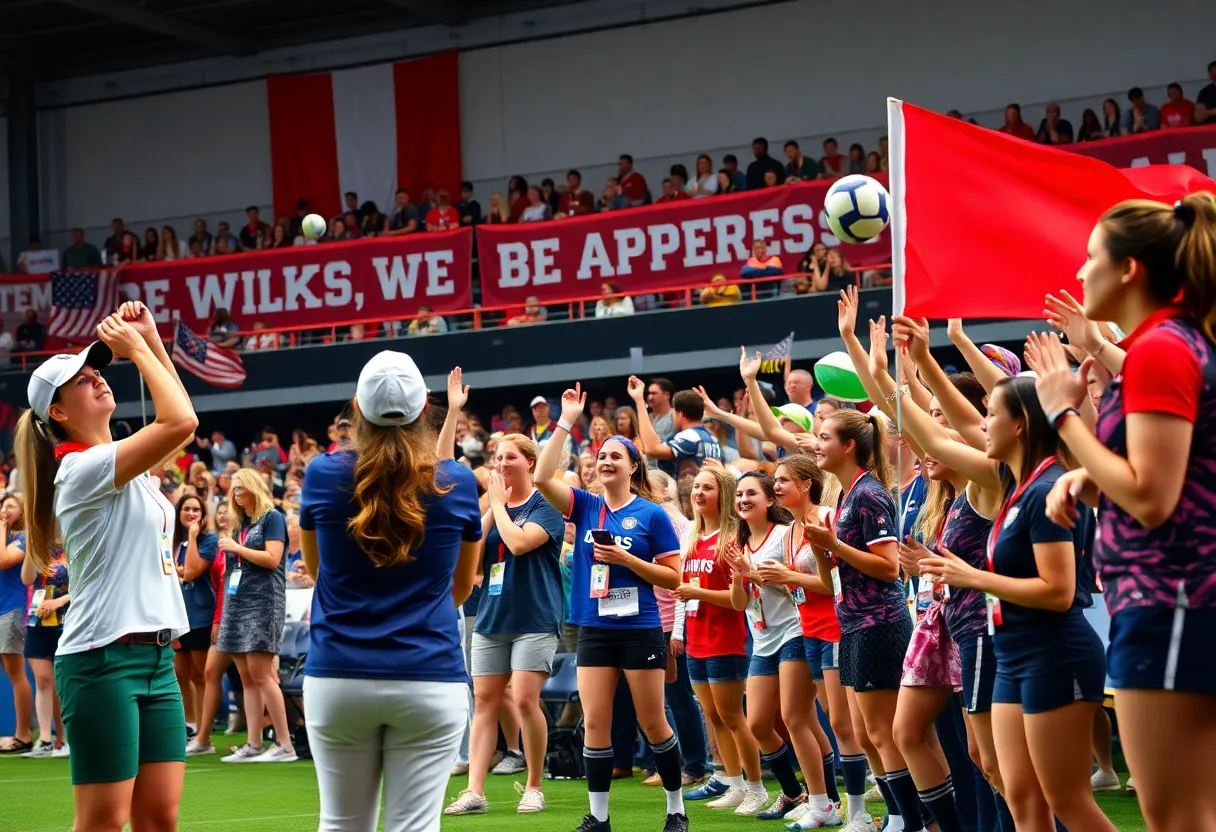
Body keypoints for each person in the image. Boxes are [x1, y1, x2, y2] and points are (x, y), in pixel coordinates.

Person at [1037, 192, 1216, 830]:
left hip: (1171, 600)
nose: (1080, 273)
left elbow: (1151, 495)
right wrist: (1089, 476)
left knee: (1177, 816)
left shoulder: (1163, 347)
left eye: (1090, 258)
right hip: (1177, 601)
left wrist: (1063, 414)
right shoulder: (1169, 342)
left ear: (1129, 270)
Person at [15, 300, 197, 829]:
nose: (97, 379)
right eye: (82, 379)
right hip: (102, 660)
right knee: (103, 822)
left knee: (159, 817)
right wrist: (138, 350)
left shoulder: (118, 460)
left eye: (97, 371)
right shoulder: (79, 468)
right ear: (59, 412)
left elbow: (180, 426)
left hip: (156, 658)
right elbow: (182, 419)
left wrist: (152, 340)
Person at [906, 371, 1111, 832]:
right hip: (1015, 653)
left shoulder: (1044, 489)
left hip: (1055, 652)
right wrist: (894, 372)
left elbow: (1058, 593)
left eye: (991, 416)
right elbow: (937, 442)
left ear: (1019, 425)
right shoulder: (1016, 485)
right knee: (1020, 798)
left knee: (1068, 801)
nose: (981, 427)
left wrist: (972, 577)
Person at [300, 350, 482, 832]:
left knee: (340, 824)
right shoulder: (458, 482)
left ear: (356, 410)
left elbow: (317, 572)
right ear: (426, 410)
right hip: (430, 675)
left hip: (337, 675)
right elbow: (460, 589)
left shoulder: (322, 473)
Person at [534, 383, 687, 832]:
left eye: (615, 455)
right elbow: (543, 477)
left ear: (634, 466)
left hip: (640, 628)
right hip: (594, 628)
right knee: (596, 722)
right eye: (601, 455)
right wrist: (565, 421)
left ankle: (675, 809)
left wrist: (628, 561)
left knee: (653, 721)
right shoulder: (584, 505)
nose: (605, 461)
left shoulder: (653, 514)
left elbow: (674, 578)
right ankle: (598, 818)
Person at [805, 409, 923, 832]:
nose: (816, 445)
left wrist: (832, 541)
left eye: (824, 437)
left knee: (881, 732)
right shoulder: (845, 494)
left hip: (880, 623)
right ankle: (896, 815)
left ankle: (912, 820)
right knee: (864, 730)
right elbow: (833, 574)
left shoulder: (869, 493)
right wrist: (822, 546)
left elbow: (890, 568)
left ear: (849, 445)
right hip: (853, 623)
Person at [445, 435, 565, 816]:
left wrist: (497, 502)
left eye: (510, 457)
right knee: (484, 702)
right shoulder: (496, 506)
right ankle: (475, 791)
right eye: (497, 458)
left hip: (535, 617)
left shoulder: (546, 507)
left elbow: (517, 544)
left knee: (527, 700)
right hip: (492, 616)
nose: (501, 464)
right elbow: (471, 547)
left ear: (530, 462)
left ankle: (533, 786)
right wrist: (491, 505)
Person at [724, 471, 841, 827]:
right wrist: (739, 575)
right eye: (739, 494)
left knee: (798, 718)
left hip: (794, 631)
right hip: (762, 639)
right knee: (758, 722)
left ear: (769, 501)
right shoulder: (741, 542)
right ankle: (795, 793)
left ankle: (827, 798)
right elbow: (738, 603)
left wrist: (755, 572)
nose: (743, 499)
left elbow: (793, 585)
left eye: (751, 493)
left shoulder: (783, 534)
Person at [671, 468, 760, 811]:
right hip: (697, 637)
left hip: (726, 637)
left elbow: (741, 600)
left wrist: (700, 592)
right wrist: (680, 629)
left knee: (732, 715)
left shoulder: (733, 538)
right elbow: (685, 592)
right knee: (713, 714)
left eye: (707, 487)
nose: (699, 493)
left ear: (722, 494)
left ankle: (756, 787)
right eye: (695, 487)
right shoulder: (691, 537)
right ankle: (733, 782)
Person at [215, 469, 295, 763]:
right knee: (246, 677)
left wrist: (237, 547)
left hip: (263, 603)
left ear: (253, 488)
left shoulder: (272, 517)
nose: (236, 494)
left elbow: (273, 559)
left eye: (240, 488)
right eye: (233, 489)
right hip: (237, 603)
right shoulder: (241, 523)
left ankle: (285, 745)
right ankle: (253, 743)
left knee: (261, 675)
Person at [19, 501, 71, 759]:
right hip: (37, 620)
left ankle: (65, 738)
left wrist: (59, 601)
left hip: (67, 620)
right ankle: (45, 739)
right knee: (42, 679)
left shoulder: (73, 547)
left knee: (63, 682)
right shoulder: (37, 550)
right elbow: (27, 579)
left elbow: (85, 585)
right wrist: (31, 546)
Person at [170, 493, 220, 738]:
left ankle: (203, 730)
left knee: (201, 676)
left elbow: (190, 573)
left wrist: (191, 536)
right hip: (175, 616)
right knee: (181, 674)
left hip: (200, 616)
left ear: (203, 516)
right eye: (187, 509)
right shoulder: (170, 540)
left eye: (196, 510)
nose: (191, 514)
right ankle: (189, 725)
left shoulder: (208, 540)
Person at [0, 491, 31, 755]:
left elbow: (4, 560)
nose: (5, 510)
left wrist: (1, 529)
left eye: (11, 506)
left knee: (16, 674)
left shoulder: (22, 538)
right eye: (3, 506)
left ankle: (23, 735)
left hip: (12, 609)